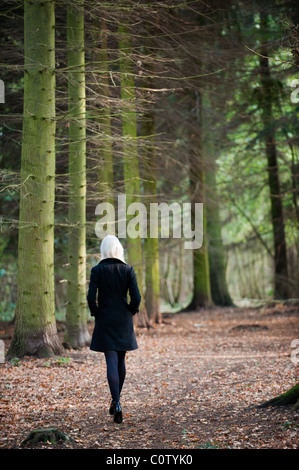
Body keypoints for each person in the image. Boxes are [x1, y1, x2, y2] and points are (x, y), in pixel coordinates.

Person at [87, 235, 141, 424]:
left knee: (110, 359)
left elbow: (90, 298)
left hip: (105, 319)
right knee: (121, 360)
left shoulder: (97, 270)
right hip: (123, 320)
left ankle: (116, 402)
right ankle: (116, 401)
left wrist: (96, 313)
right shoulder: (127, 270)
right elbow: (136, 298)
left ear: (103, 250)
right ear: (119, 250)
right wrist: (131, 311)